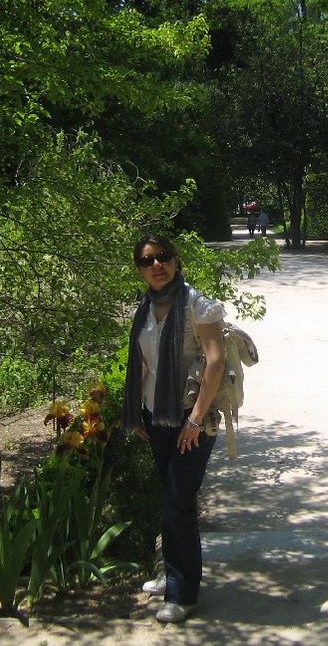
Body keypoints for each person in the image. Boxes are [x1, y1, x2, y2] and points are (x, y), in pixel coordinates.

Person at [122, 234, 226, 624]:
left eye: (163, 257)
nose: (156, 265)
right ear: (140, 269)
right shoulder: (146, 308)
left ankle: (183, 595)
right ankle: (174, 575)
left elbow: (215, 363)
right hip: (157, 418)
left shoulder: (199, 305)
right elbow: (144, 363)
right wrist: (136, 413)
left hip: (191, 420)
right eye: (148, 260)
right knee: (172, 501)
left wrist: (195, 420)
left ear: (176, 260)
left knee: (178, 503)